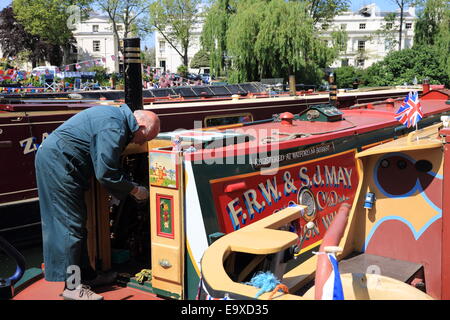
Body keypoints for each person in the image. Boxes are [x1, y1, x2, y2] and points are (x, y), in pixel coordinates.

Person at [35, 104, 160, 300]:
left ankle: (88, 276)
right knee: (70, 226)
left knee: (77, 225)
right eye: (143, 139)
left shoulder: (115, 117)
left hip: (63, 163)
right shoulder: (115, 127)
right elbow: (106, 173)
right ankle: (73, 287)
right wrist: (135, 190)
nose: (138, 143)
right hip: (59, 165)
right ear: (141, 127)